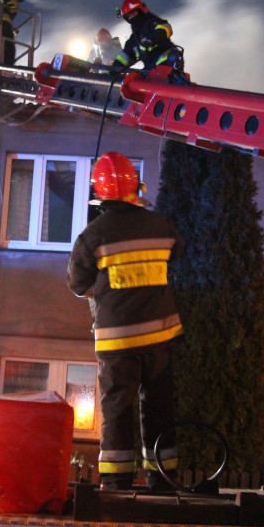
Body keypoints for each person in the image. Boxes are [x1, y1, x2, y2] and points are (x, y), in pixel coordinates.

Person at [67, 152, 183, 490]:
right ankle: (163, 478)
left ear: (100, 194)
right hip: (160, 338)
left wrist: (104, 291)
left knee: (117, 407)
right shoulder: (161, 226)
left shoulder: (93, 235)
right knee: (159, 406)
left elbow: (76, 284)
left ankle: (117, 482)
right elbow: (176, 253)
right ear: (137, 188)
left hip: (117, 343)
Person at [110, 0, 188, 84]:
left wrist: (152, 39)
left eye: (133, 13)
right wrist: (110, 72)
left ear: (141, 11)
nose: (131, 17)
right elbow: (123, 58)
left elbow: (165, 28)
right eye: (128, 16)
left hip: (167, 62)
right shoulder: (133, 41)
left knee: (160, 80)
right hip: (150, 70)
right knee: (136, 80)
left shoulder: (152, 23)